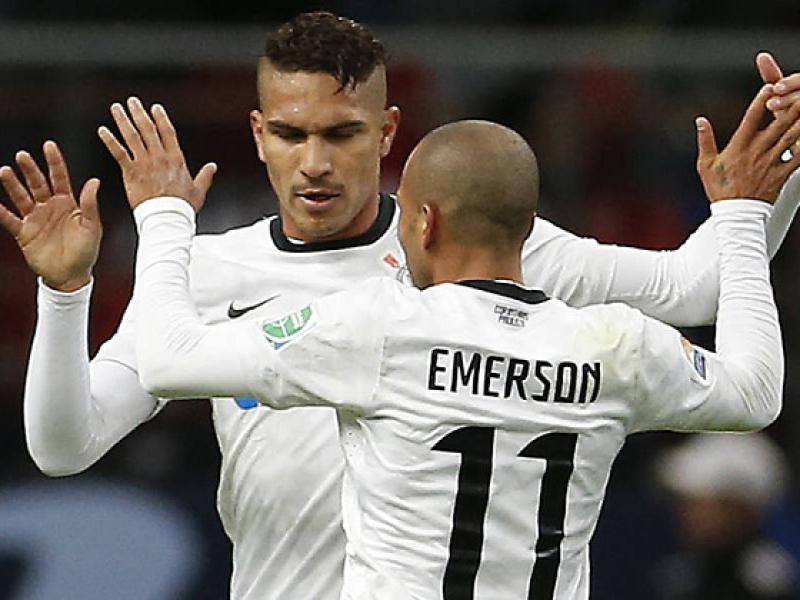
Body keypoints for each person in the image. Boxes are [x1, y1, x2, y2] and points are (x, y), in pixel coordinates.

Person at [1, 11, 800, 599]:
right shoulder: (207, 273)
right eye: (292, 134)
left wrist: (784, 169)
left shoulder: (478, 240)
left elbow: (696, 285)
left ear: (387, 132)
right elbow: (66, 445)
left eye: (342, 134)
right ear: (257, 133)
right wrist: (65, 294)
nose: (315, 163)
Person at [651, 433, 798, 599]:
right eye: (685, 503)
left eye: (701, 504)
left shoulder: (771, 584)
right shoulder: (678, 578)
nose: (687, 514)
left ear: (742, 511)